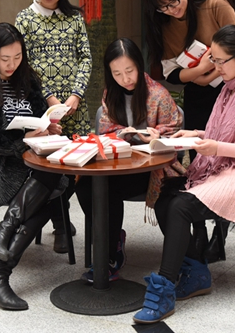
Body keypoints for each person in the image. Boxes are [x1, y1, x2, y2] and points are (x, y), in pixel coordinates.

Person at [132, 25, 235, 324]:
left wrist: (215, 147)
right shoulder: (231, 87)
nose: (214, 66)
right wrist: (198, 134)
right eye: (212, 59)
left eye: (219, 60)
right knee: (166, 194)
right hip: (224, 165)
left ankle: (164, 289)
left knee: (180, 206)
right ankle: (196, 271)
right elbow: (228, 132)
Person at [0, 22, 67, 311]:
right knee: (50, 185)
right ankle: (0, 255)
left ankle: (1, 248)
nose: (12, 65)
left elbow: (40, 118)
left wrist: (47, 128)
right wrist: (25, 142)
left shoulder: (27, 80)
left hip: (28, 158)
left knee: (56, 179)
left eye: (17, 57)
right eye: (5, 59)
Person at [143, 0, 235, 259]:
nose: (171, 10)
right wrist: (200, 72)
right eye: (163, 7)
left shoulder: (214, 5)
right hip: (198, 94)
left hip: (230, 91)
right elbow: (171, 74)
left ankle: (220, 234)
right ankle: (199, 232)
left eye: (174, 1)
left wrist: (211, 71)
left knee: (225, 163)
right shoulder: (162, 23)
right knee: (199, 164)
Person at [75, 38, 183, 283]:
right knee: (86, 186)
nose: (125, 79)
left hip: (150, 169)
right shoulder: (110, 93)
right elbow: (105, 131)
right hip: (119, 163)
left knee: (109, 188)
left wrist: (157, 136)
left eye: (129, 71)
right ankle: (110, 244)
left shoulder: (158, 94)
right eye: (117, 73)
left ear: (139, 65)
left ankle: (109, 254)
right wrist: (126, 134)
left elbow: (175, 132)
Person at [15, 0, 93, 253]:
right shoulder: (25, 19)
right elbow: (25, 64)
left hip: (75, 107)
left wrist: (76, 95)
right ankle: (61, 224)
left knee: (78, 165)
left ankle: (59, 219)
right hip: (43, 108)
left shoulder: (74, 18)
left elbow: (85, 58)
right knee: (50, 168)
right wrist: (49, 98)